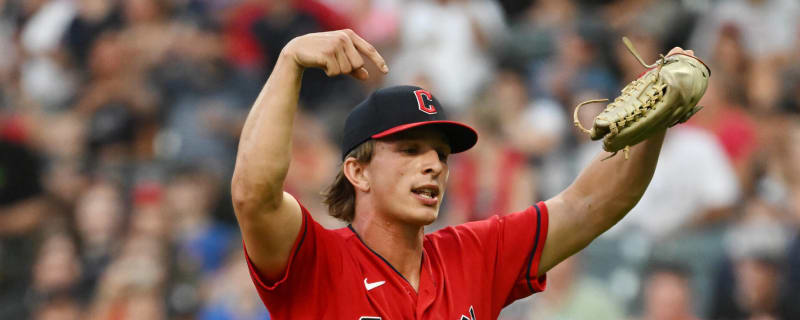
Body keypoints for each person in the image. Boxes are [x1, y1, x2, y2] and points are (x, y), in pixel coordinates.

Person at [230, 29, 698, 319]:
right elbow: (254, 194)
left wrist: (656, 117)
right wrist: (290, 61)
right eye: (410, 150)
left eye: (441, 154)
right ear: (358, 171)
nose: (433, 164)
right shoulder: (316, 261)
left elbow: (591, 205)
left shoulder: (473, 255)